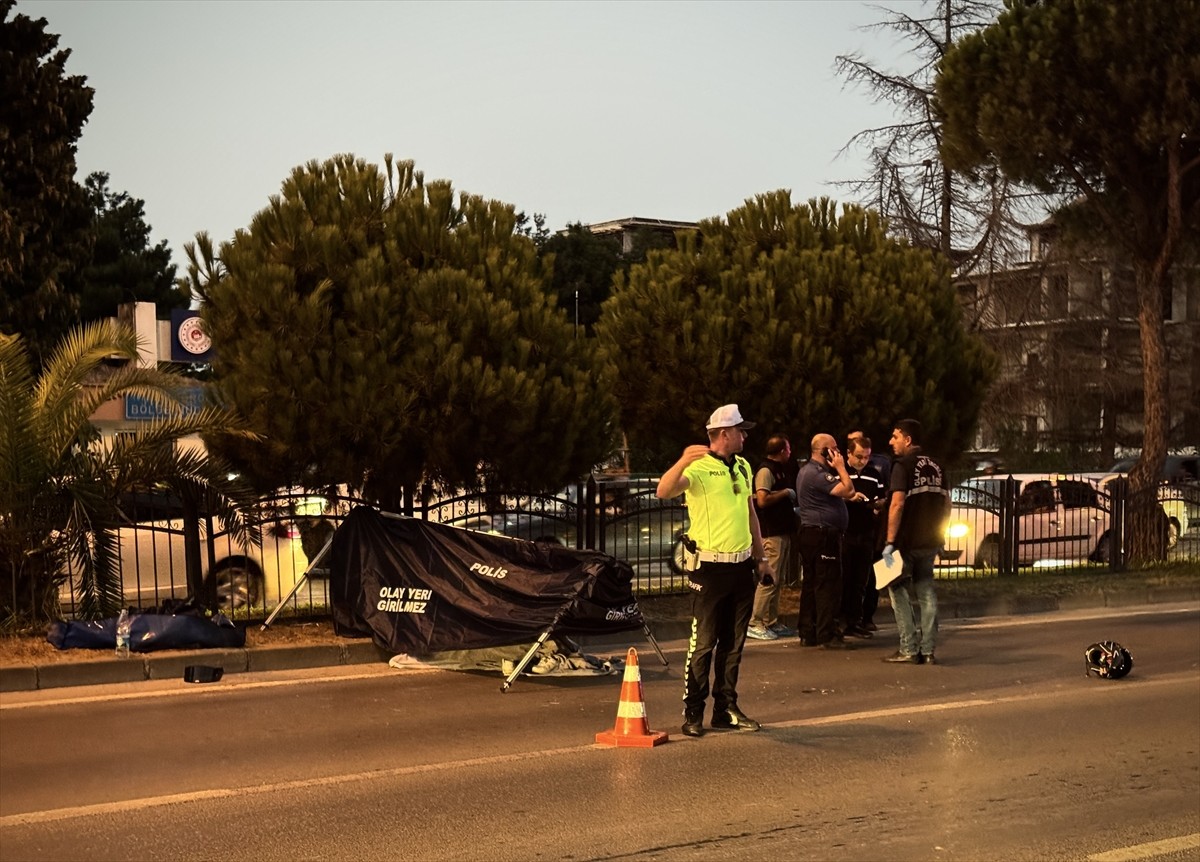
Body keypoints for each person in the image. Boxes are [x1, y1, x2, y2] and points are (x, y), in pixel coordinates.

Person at [656, 404, 774, 737]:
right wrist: (682, 460)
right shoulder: (699, 467)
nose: (745, 435)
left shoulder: (744, 466)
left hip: (741, 568)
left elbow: (750, 512)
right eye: (740, 430)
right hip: (709, 569)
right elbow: (663, 491)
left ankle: (726, 709)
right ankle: (694, 711)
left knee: (734, 644)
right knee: (704, 643)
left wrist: (762, 558)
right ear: (724, 434)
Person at [880, 419, 950, 665]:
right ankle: (928, 650)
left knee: (897, 589)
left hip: (904, 543)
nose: (891, 442)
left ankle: (908, 648)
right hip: (930, 541)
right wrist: (940, 536)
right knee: (927, 591)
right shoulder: (938, 466)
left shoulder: (903, 466)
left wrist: (889, 542)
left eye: (895, 437)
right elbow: (946, 505)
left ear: (907, 440)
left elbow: (897, 504)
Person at [795, 433, 856, 649]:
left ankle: (808, 631)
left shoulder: (808, 471)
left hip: (813, 534)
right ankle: (826, 634)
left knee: (812, 583)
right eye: (834, 448)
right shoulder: (816, 473)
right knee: (827, 584)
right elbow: (849, 490)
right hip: (823, 536)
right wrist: (841, 467)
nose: (838, 452)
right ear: (824, 451)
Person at [747, 434, 799, 640]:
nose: (790, 452)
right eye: (787, 449)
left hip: (782, 531)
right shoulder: (766, 470)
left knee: (778, 580)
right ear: (781, 451)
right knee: (769, 579)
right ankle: (756, 621)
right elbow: (762, 500)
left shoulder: (779, 470)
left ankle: (771, 621)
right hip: (771, 533)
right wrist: (785, 493)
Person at [841, 435, 886, 639]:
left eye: (867, 457)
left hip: (866, 531)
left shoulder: (873, 475)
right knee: (845, 578)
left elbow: (881, 495)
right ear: (849, 454)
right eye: (859, 456)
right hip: (846, 530)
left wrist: (878, 504)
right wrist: (850, 497)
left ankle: (856, 620)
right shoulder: (841, 472)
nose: (863, 461)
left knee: (862, 579)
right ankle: (841, 619)